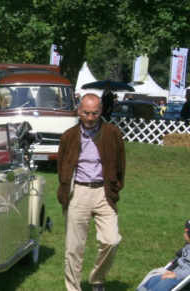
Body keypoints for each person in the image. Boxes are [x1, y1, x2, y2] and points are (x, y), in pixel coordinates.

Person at [57, 93, 126, 291]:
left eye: (94, 113)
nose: (90, 117)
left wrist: (115, 187)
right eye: (86, 113)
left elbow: (121, 164)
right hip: (78, 191)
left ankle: (97, 279)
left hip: (104, 192)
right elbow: (62, 165)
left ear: (101, 111)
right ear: (79, 111)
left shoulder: (113, 133)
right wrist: (66, 186)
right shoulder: (69, 135)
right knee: (74, 247)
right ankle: (73, 287)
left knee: (111, 240)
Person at [139, 219, 190, 291]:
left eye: (186, 232)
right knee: (154, 279)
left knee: (165, 283)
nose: (184, 234)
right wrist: (173, 272)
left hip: (185, 279)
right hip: (179, 273)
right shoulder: (188, 246)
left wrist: (175, 275)